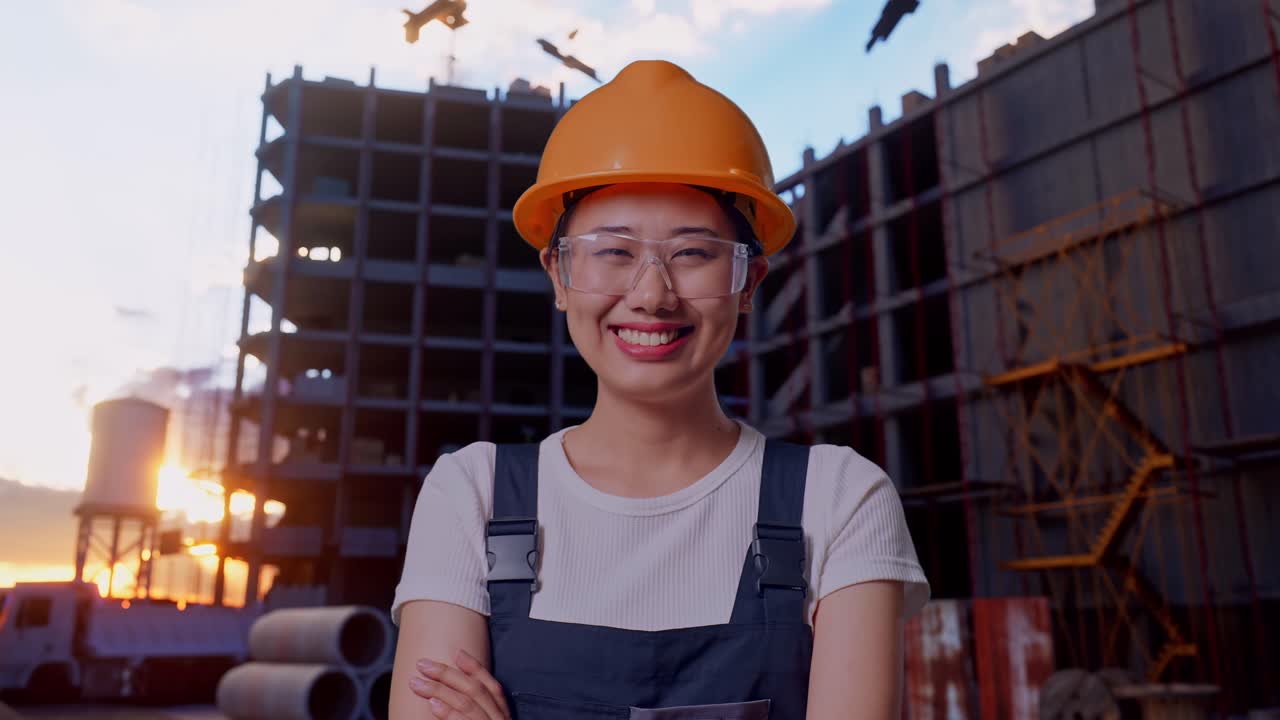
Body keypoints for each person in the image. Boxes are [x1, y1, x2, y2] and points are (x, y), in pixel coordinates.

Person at [388, 60, 929, 720]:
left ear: (750, 282)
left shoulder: (841, 500)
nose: (650, 296)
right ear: (557, 275)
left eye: (694, 253)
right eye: (612, 253)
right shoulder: (469, 495)